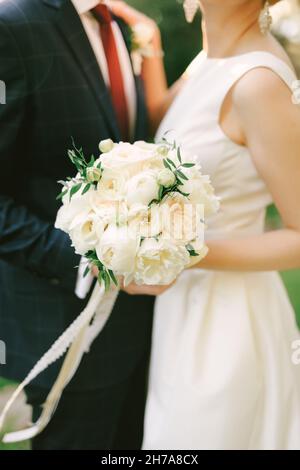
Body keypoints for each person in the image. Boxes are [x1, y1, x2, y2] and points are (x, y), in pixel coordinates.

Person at [112, 0, 300, 449]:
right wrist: (149, 43)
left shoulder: (258, 83)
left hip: (228, 326)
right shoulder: (212, 59)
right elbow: (166, 120)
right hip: (183, 310)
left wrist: (177, 254)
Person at [0, 0, 154, 450]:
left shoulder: (118, 27)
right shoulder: (12, 25)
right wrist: (93, 262)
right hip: (64, 327)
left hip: (152, 330)